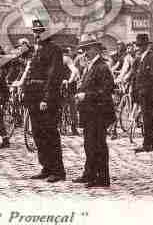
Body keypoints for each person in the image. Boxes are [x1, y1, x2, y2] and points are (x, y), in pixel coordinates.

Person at [23, 19, 65, 182]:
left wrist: (47, 99)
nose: (37, 34)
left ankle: (57, 170)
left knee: (50, 134)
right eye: (35, 31)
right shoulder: (36, 50)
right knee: (38, 133)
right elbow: (31, 73)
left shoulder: (55, 50)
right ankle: (46, 167)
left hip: (46, 99)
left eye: (40, 32)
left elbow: (54, 76)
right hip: (33, 98)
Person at [73, 35, 115, 187]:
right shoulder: (90, 66)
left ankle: (102, 178)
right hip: (90, 112)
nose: (84, 53)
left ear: (95, 49)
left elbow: (107, 90)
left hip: (99, 112)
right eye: (83, 50)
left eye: (87, 49)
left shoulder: (102, 66)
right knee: (89, 144)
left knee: (98, 145)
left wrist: (86, 95)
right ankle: (89, 173)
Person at [132, 34, 153, 153]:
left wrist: (150, 90)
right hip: (142, 92)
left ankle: (148, 143)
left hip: (148, 92)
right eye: (138, 45)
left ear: (146, 46)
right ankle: (152, 143)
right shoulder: (141, 58)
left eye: (141, 45)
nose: (139, 48)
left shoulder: (152, 57)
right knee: (148, 118)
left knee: (148, 118)